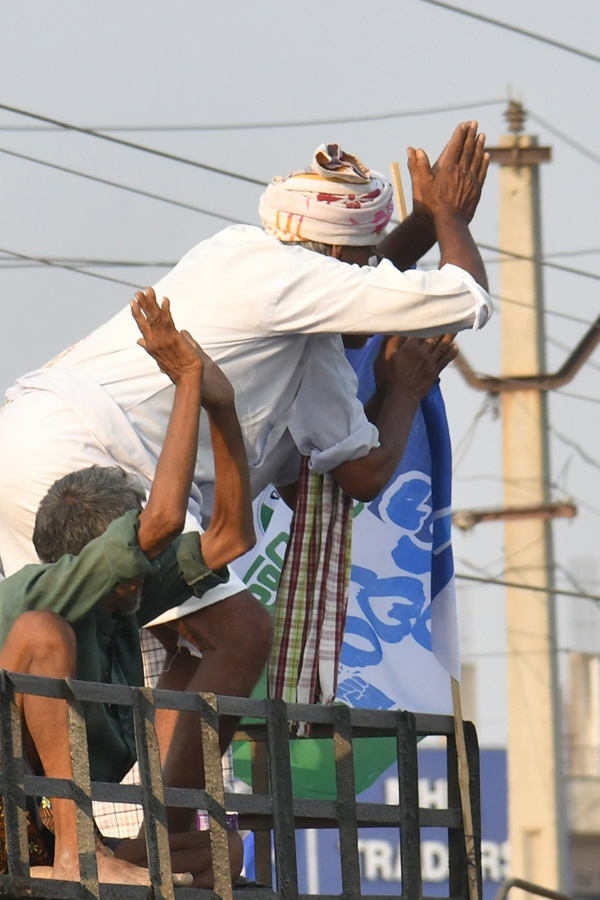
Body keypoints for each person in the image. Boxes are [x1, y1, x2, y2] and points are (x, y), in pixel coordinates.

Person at [0, 121, 490, 810]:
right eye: (360, 260)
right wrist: (444, 219)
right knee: (237, 635)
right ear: (322, 252)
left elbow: (361, 472)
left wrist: (402, 388)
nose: (365, 278)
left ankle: (119, 826)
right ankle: (151, 833)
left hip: (36, 444)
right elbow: (468, 298)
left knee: (145, 656)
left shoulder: (303, 339)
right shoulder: (273, 272)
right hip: (89, 457)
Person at [0, 288, 254, 885]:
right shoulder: (39, 595)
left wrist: (223, 408)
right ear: (101, 560)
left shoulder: (121, 606)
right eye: (134, 555)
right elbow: (163, 520)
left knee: (224, 856)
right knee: (43, 635)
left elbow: (230, 536)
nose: (147, 566)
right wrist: (186, 382)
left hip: (39, 824)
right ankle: (74, 856)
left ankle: (79, 852)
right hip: (14, 819)